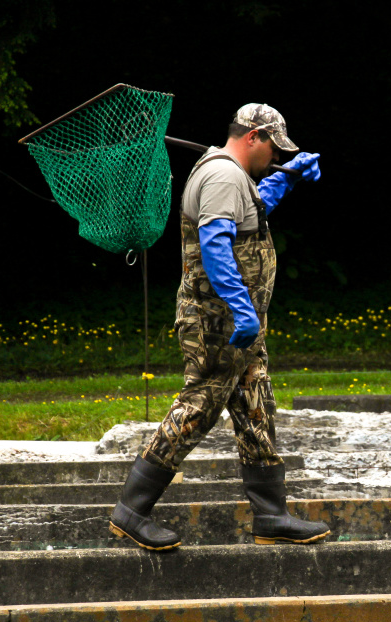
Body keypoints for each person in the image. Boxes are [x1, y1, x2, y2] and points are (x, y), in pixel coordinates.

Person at [108, 103, 329, 550]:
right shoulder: (223, 175)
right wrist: (242, 308)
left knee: (255, 404)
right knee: (199, 406)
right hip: (217, 322)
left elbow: (251, 215)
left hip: (238, 325)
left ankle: (271, 514)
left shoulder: (234, 175)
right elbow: (215, 244)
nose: (277, 156)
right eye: (276, 150)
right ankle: (131, 510)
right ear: (255, 138)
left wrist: (284, 179)